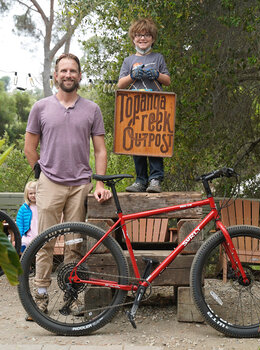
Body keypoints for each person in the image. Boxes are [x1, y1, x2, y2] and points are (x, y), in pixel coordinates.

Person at [24, 53, 111, 318]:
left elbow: (100, 151)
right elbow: (29, 148)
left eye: (73, 71)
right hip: (50, 183)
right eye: (63, 71)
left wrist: (98, 182)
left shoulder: (92, 109)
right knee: (44, 243)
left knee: (75, 244)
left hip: (80, 186)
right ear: (55, 75)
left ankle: (71, 299)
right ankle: (39, 299)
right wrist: (41, 175)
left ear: (80, 76)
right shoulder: (41, 107)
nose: (68, 75)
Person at [118, 18, 171, 193]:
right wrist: (133, 75)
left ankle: (155, 179)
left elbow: (168, 80)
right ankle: (140, 179)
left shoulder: (158, 57)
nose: (142, 38)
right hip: (135, 108)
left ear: (153, 38)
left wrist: (156, 74)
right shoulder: (128, 60)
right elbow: (120, 85)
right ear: (133, 38)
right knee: (137, 142)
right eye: (139, 35)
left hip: (156, 107)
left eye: (147, 35)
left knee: (155, 140)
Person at [16, 181, 38, 253]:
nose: (33, 195)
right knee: (23, 242)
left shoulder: (42, 207)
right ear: (27, 194)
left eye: (35, 193)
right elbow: (20, 223)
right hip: (29, 234)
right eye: (31, 193)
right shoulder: (24, 208)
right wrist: (20, 236)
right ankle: (25, 261)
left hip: (40, 233)